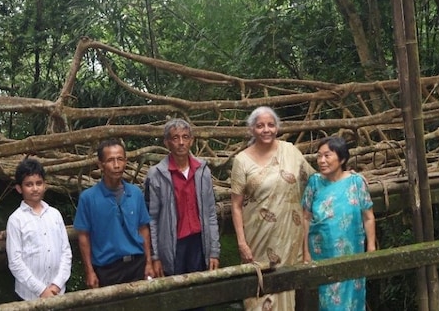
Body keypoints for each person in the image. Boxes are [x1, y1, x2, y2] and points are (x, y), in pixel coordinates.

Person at [231, 106, 316, 311]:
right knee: (258, 293)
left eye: (270, 125)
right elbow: (236, 205)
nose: (266, 129)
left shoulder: (290, 151)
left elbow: (314, 180)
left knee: (286, 291)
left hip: (289, 237)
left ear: (277, 128)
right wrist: (242, 243)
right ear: (252, 130)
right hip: (258, 239)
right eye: (260, 126)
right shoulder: (241, 160)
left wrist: (345, 175)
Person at [301, 136, 376, 311]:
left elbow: (368, 216)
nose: (322, 160)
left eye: (327, 155)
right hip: (322, 254)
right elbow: (305, 218)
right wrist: (305, 252)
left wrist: (371, 247)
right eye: (319, 156)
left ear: (341, 158)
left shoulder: (356, 182)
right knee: (329, 302)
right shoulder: (314, 183)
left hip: (352, 253)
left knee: (353, 300)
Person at [73, 138, 155, 287]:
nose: (116, 165)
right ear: (101, 165)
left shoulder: (135, 193)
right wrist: (89, 271)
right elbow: (83, 236)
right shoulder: (88, 198)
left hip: (137, 265)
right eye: (111, 160)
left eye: (120, 159)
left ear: (125, 161)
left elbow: (143, 229)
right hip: (107, 269)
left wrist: (149, 262)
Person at [146, 118, 221, 280]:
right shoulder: (157, 174)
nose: (181, 142)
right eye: (175, 138)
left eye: (185, 137)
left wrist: (214, 251)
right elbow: (152, 219)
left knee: (200, 293)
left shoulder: (203, 171)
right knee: (175, 298)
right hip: (172, 245)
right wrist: (155, 257)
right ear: (167, 143)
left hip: (199, 243)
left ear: (191, 141)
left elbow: (211, 214)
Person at [6, 158, 72, 300]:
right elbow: (15, 262)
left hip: (58, 292)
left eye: (38, 183)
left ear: (45, 185)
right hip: (29, 296)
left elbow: (66, 252)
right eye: (29, 184)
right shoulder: (16, 220)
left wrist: (57, 285)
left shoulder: (55, 214)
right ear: (19, 188)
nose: (35, 188)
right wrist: (41, 290)